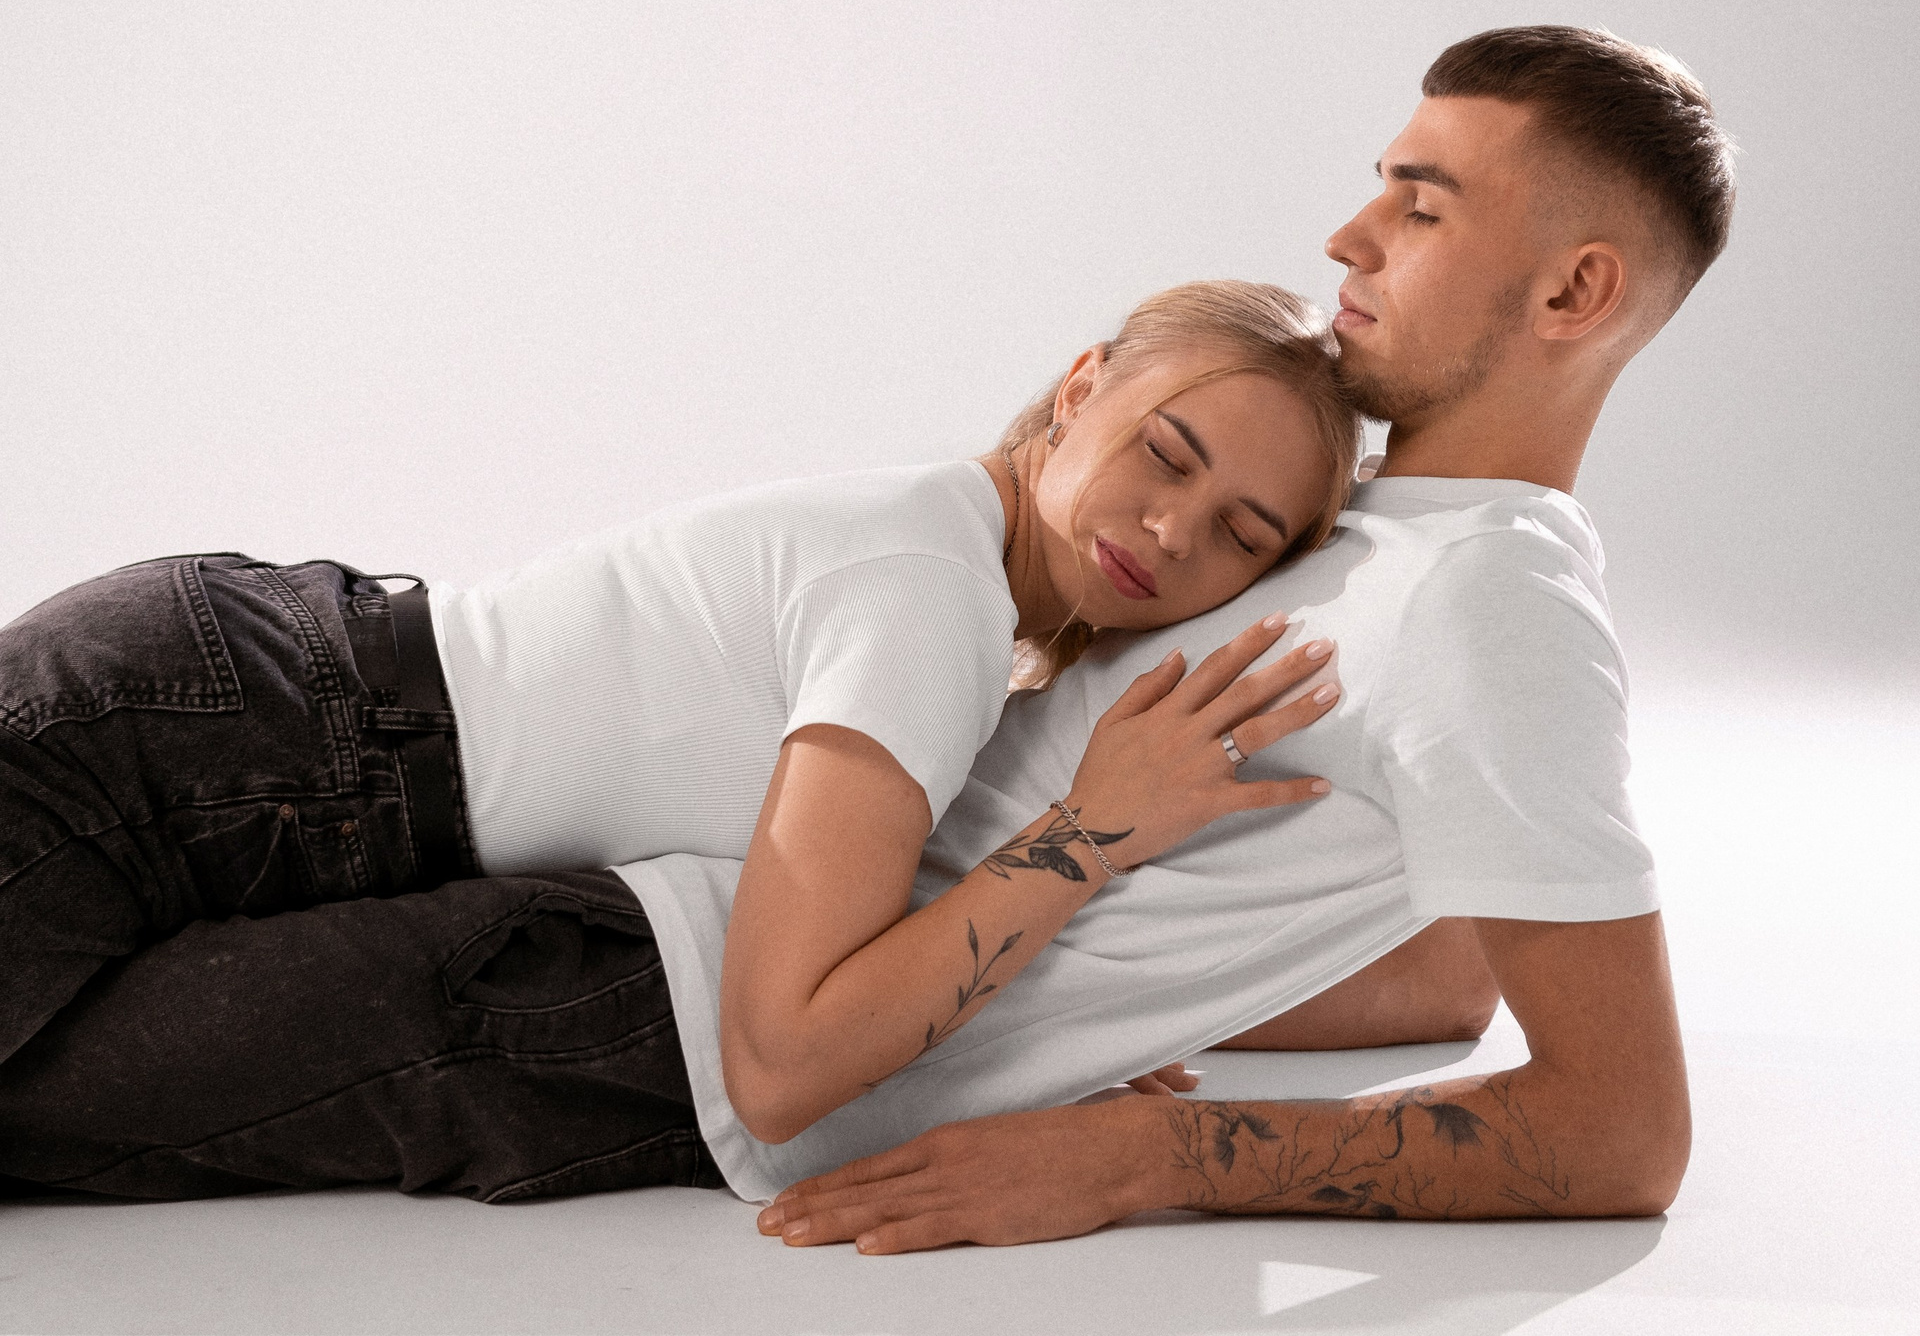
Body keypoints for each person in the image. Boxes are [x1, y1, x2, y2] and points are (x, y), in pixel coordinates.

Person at [0, 283, 1356, 1201]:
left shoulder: (957, 589)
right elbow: (782, 1064)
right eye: (1166, 453)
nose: (1173, 531)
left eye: (1242, 533)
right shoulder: (928, 597)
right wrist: (1093, 834)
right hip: (208, 738)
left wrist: (1052, 1016)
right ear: (1081, 388)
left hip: (276, 735)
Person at [746, 22, 1734, 1248]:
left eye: (1421, 210)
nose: (1349, 239)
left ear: (1572, 292)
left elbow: (1622, 1130)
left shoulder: (1488, 603)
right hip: (728, 964)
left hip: (653, 1011)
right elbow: (1442, 983)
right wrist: (1096, 1018)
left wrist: (1144, 1154)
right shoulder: (1360, 526)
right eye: (1380, 189)